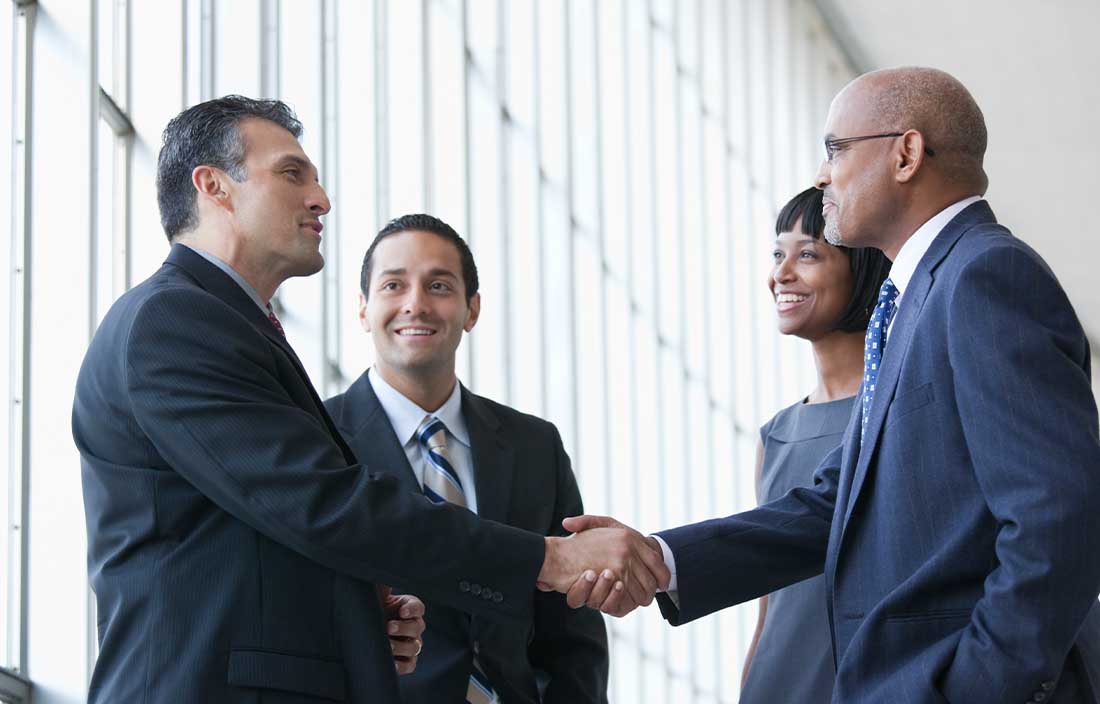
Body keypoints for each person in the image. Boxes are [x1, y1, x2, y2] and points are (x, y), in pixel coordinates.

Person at [72, 96, 666, 703]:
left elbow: (256, 532)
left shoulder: (227, 324)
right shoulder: (175, 320)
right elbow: (321, 503)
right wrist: (546, 559)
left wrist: (353, 619)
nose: (321, 198)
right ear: (214, 186)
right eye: (291, 173)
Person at [566, 67, 1100, 703]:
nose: (822, 175)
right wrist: (659, 559)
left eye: (836, 149)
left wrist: (977, 687)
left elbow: (1058, 518)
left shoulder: (986, 276)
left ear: (906, 154)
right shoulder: (917, 300)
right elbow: (832, 506)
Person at [324, 213, 609, 704]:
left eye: (438, 285)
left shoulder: (534, 446)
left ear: (471, 309)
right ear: (363, 308)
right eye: (394, 285)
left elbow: (571, 636)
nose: (416, 304)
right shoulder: (318, 441)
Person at [739, 187, 890, 703]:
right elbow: (768, 604)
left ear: (862, 270)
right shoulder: (775, 434)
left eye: (808, 255)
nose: (782, 274)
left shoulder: (897, 416)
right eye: (778, 254)